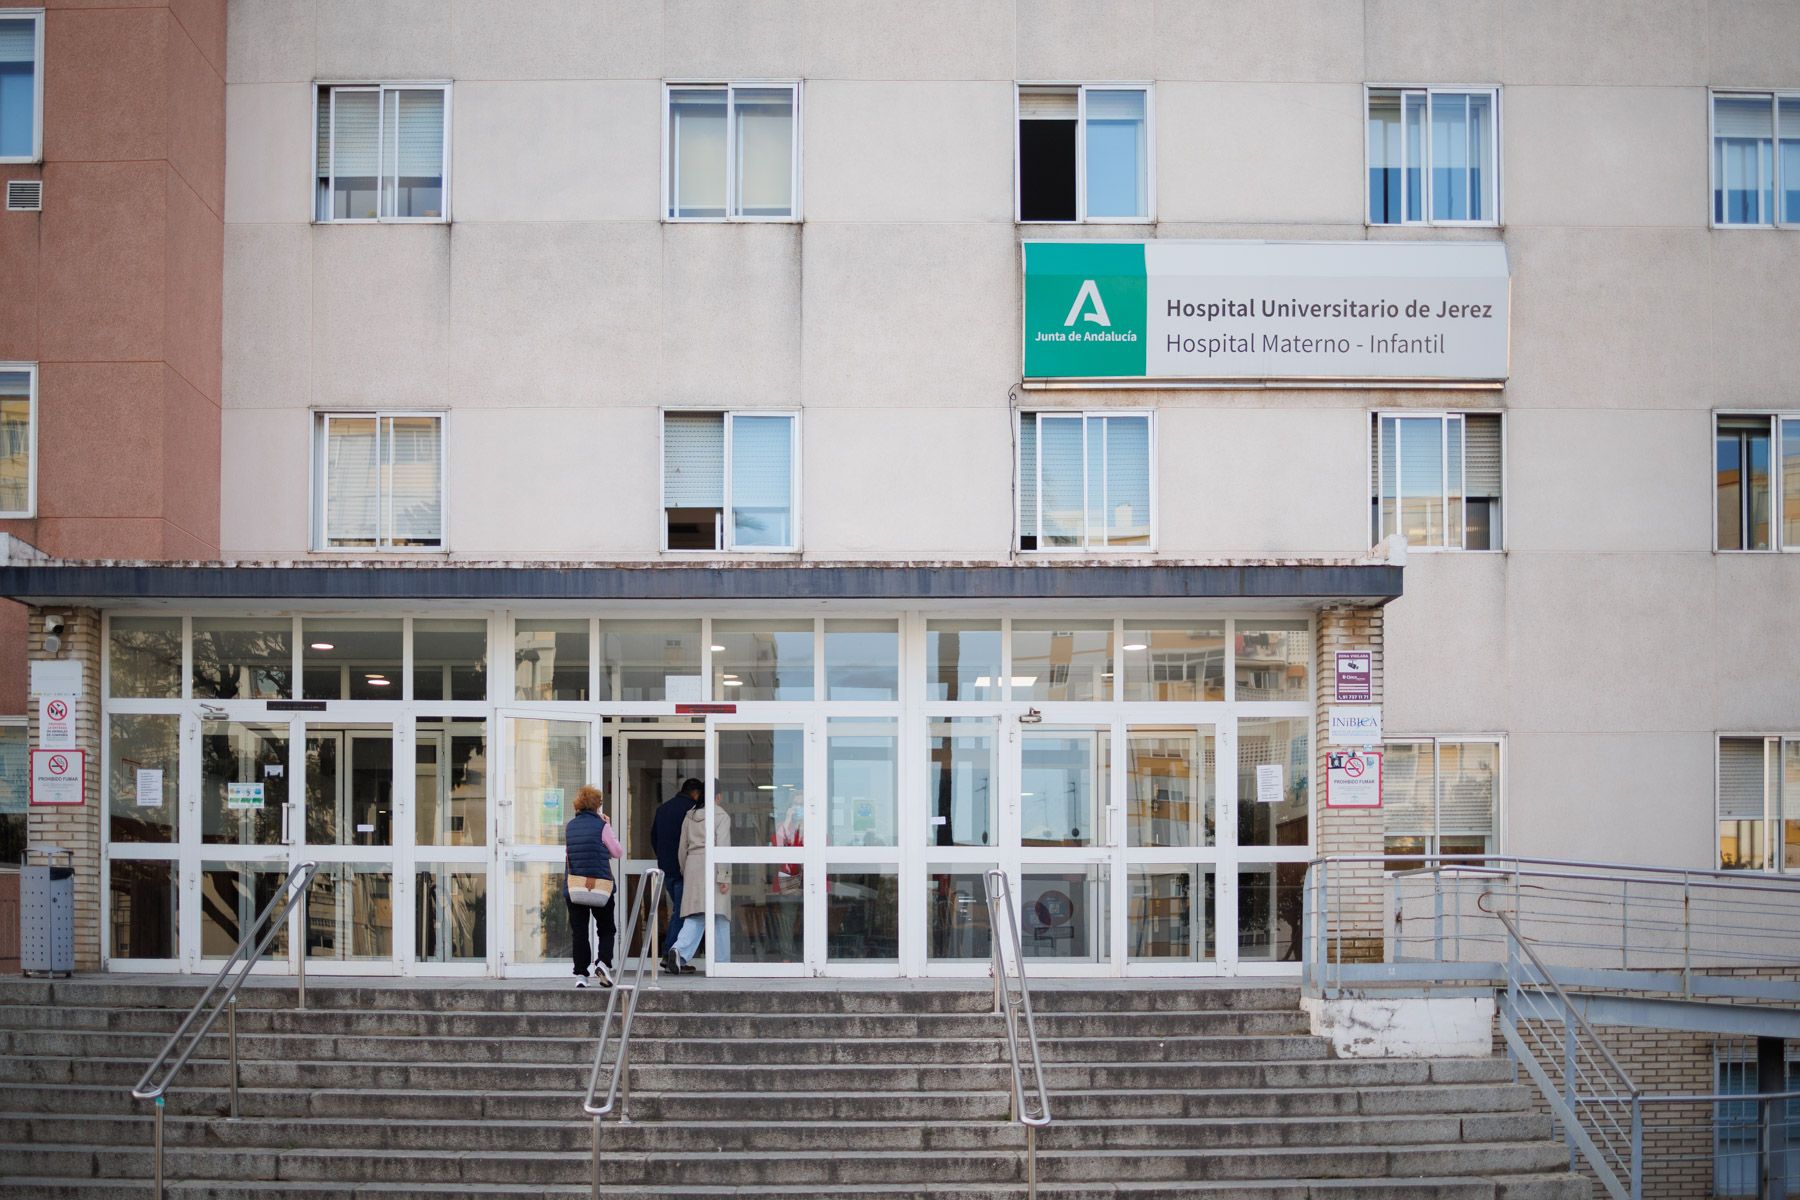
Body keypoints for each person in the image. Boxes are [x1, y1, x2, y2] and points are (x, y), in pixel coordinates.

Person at [665, 788, 729, 974]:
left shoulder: (689, 816)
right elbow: (723, 845)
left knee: (696, 915)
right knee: (719, 916)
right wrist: (724, 875)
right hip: (713, 864)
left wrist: (686, 870)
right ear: (718, 796)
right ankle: (722, 963)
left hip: (693, 865)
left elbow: (682, 847)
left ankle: (679, 950)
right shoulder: (721, 815)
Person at [564, 784, 622, 989]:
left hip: (575, 886)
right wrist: (608, 825)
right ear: (597, 805)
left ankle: (581, 975)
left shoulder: (570, 826)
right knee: (606, 928)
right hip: (600, 886)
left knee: (579, 932)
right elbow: (617, 852)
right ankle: (603, 964)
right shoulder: (601, 826)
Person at [650, 778, 703, 953]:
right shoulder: (692, 811)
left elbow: (654, 838)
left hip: (667, 869)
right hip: (684, 870)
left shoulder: (663, 809)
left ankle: (675, 955)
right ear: (695, 793)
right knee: (682, 913)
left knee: (679, 911)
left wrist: (663, 858)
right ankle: (670, 953)